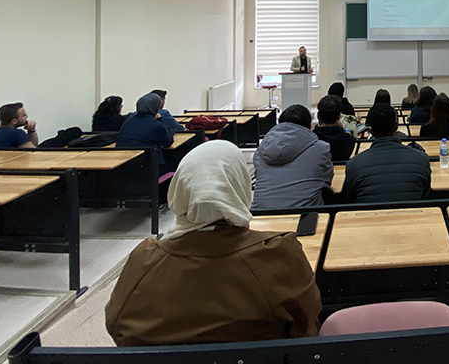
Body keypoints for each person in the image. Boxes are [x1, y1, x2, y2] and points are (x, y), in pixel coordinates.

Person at [105, 141, 321, 346]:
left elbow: (118, 327)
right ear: (240, 186)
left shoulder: (144, 261)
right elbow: (307, 319)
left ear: (180, 189)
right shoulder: (277, 253)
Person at [343, 103, 431, 203]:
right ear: (396, 126)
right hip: (414, 217)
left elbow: (351, 199)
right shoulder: (422, 159)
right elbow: (425, 196)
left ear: (371, 132)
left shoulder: (353, 165)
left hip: (369, 217)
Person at [252, 105, 332, 209]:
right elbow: (326, 181)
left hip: (260, 214)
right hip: (305, 215)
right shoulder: (321, 148)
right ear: (309, 126)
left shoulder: (261, 151)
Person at [117, 93, 174, 165]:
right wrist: (160, 120)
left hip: (123, 163)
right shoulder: (156, 124)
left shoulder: (127, 121)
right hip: (147, 166)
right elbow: (168, 143)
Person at [313, 95, 356, 161]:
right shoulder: (350, 140)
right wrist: (342, 130)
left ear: (318, 115)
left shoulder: (311, 139)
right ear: (339, 116)